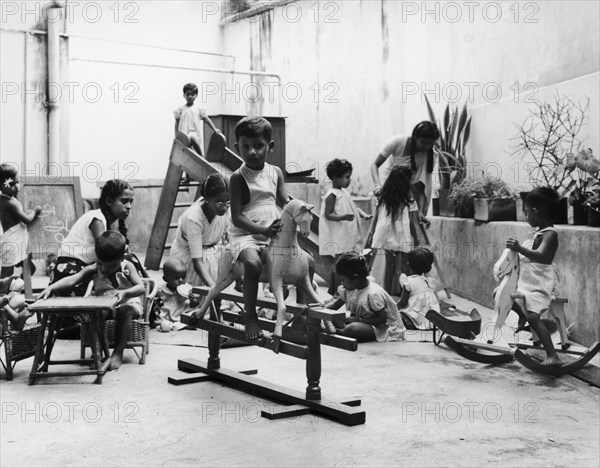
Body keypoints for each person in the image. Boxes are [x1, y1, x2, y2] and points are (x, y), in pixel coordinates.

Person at [38, 231, 145, 370]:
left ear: (122, 257)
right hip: (105, 305)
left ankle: (118, 352)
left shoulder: (127, 267)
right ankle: (98, 350)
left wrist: (125, 293)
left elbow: (141, 287)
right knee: (95, 313)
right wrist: (51, 288)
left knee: (126, 311)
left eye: (111, 265)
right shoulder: (94, 268)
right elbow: (73, 279)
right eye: (100, 263)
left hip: (127, 303)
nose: (104, 269)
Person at [227, 116, 287, 340]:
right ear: (237, 148)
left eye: (258, 146)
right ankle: (250, 316)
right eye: (245, 146)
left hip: (271, 231)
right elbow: (236, 217)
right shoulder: (237, 178)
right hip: (246, 234)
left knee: (302, 260)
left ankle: (300, 314)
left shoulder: (276, 173)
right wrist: (261, 231)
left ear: (269, 146)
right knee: (253, 264)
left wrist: (298, 210)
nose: (252, 151)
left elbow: (283, 200)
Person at [506, 187, 562, 367]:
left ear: (535, 213)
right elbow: (526, 257)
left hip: (540, 282)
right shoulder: (536, 233)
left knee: (533, 317)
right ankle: (523, 316)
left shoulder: (550, 234)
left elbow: (542, 257)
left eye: (526, 211)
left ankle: (553, 355)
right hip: (526, 281)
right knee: (502, 295)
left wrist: (520, 249)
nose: (525, 215)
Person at [319, 158, 372, 298]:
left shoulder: (344, 192)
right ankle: (337, 290)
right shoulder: (332, 195)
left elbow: (353, 207)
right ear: (336, 178)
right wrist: (343, 217)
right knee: (339, 262)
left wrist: (363, 214)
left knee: (343, 261)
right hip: (339, 234)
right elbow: (327, 214)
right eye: (346, 177)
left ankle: (339, 288)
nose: (349, 180)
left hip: (347, 233)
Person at [324, 252, 405, 343]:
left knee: (353, 328)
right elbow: (335, 305)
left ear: (355, 278)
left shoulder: (373, 294)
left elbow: (382, 319)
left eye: (343, 280)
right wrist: (320, 310)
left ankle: (338, 331)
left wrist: (359, 319)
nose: (342, 284)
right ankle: (337, 329)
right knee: (336, 319)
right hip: (361, 321)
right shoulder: (350, 288)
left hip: (382, 327)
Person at [365, 166, 421, 295]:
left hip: (386, 236)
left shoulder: (383, 197)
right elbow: (411, 222)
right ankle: (405, 295)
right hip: (403, 237)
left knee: (389, 268)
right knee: (405, 268)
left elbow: (376, 217)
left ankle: (387, 294)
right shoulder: (409, 199)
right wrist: (416, 237)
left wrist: (372, 233)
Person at [370, 121, 440, 223]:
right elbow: (374, 165)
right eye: (424, 142)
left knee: (405, 223)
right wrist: (378, 186)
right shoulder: (398, 141)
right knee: (384, 219)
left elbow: (420, 188)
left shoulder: (429, 155)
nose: (427, 147)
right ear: (415, 137)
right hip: (388, 186)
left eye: (430, 144)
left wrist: (420, 212)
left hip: (406, 190)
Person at [169, 173, 230, 287]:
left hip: (211, 250)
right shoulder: (194, 219)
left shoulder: (226, 207)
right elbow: (198, 263)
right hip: (190, 257)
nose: (224, 207)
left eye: (228, 201)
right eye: (219, 201)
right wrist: (214, 289)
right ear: (207, 198)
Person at [0, 163, 42, 277]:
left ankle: (15, 288)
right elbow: (27, 220)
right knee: (6, 274)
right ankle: (3, 292)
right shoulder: (9, 202)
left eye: (17, 182)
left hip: (18, 244)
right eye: (12, 184)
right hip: (12, 245)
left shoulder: (9, 198)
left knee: (30, 269)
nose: (17, 186)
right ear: (1, 186)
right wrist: (35, 211)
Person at [174, 83, 225, 157]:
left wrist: (214, 129)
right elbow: (177, 122)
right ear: (184, 95)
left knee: (193, 138)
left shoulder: (198, 109)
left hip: (194, 133)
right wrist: (176, 135)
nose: (190, 96)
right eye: (187, 94)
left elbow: (206, 119)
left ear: (196, 95)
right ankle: (197, 155)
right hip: (184, 134)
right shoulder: (180, 109)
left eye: (192, 94)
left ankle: (201, 156)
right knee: (185, 148)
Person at [397, 247, 440, 330]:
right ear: (429, 268)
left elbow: (402, 302)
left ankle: (412, 324)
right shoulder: (429, 282)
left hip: (416, 317)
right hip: (432, 320)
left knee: (398, 315)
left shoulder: (408, 282)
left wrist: (394, 308)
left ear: (408, 264)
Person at [153, 258, 200, 332]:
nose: (181, 280)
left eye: (183, 277)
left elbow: (194, 304)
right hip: (167, 317)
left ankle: (182, 324)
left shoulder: (188, 289)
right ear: (165, 279)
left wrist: (193, 299)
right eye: (176, 278)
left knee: (198, 312)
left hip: (182, 315)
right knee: (163, 323)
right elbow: (156, 305)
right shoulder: (161, 290)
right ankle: (178, 325)